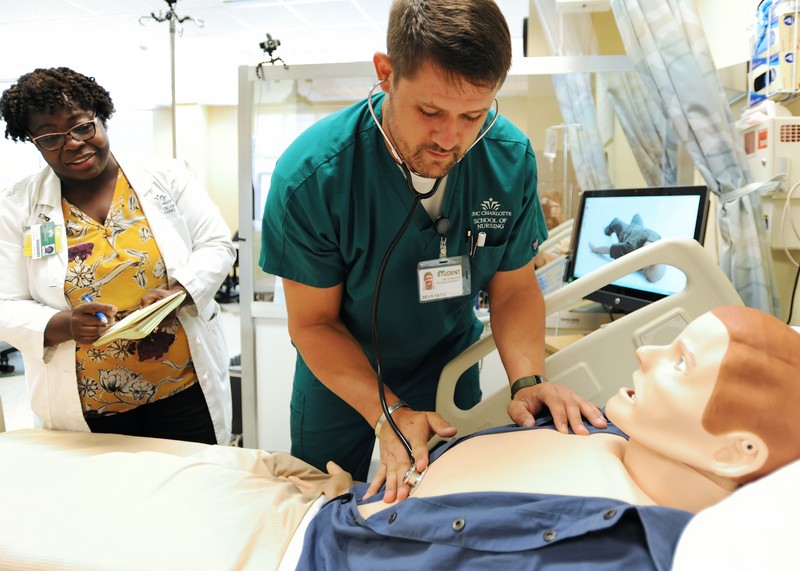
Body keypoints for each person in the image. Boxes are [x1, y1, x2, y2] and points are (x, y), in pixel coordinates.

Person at [260, 0, 606, 500]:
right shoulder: (314, 176)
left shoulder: (506, 161)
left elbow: (512, 287)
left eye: (473, 115)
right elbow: (312, 323)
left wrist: (527, 379)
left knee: (443, 502)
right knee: (324, 503)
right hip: (341, 375)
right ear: (385, 73)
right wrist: (387, 411)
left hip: (447, 366)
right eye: (429, 111)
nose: (450, 138)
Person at [294, 305, 800, 569]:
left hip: (317, 544)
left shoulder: (619, 546)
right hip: (329, 498)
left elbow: (514, 286)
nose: (647, 352)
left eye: (681, 362)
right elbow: (310, 321)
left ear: (737, 451)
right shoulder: (618, 423)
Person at [0, 67, 235, 445]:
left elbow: (216, 244)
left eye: (81, 127)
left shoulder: (166, 177)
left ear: (101, 117)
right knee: (107, 502)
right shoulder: (15, 208)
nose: (72, 144)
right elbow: (5, 302)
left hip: (181, 391)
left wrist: (178, 292)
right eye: (50, 137)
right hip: (89, 407)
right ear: (34, 142)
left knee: (191, 495)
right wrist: (64, 324)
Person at [589, 213, 666, 282]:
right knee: (616, 222)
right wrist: (595, 249)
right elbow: (609, 250)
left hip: (638, 229)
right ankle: (608, 230)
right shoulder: (630, 249)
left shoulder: (658, 240)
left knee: (637, 217)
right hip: (626, 232)